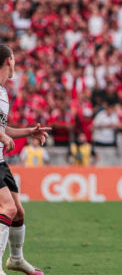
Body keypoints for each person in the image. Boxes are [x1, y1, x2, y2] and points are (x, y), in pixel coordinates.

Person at [0, 44, 50, 275]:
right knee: (7, 208)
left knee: (18, 212)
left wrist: (29, 132)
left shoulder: (3, 92)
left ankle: (16, 260)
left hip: (0, 160)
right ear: (9, 60)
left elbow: (3, 128)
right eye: (15, 60)